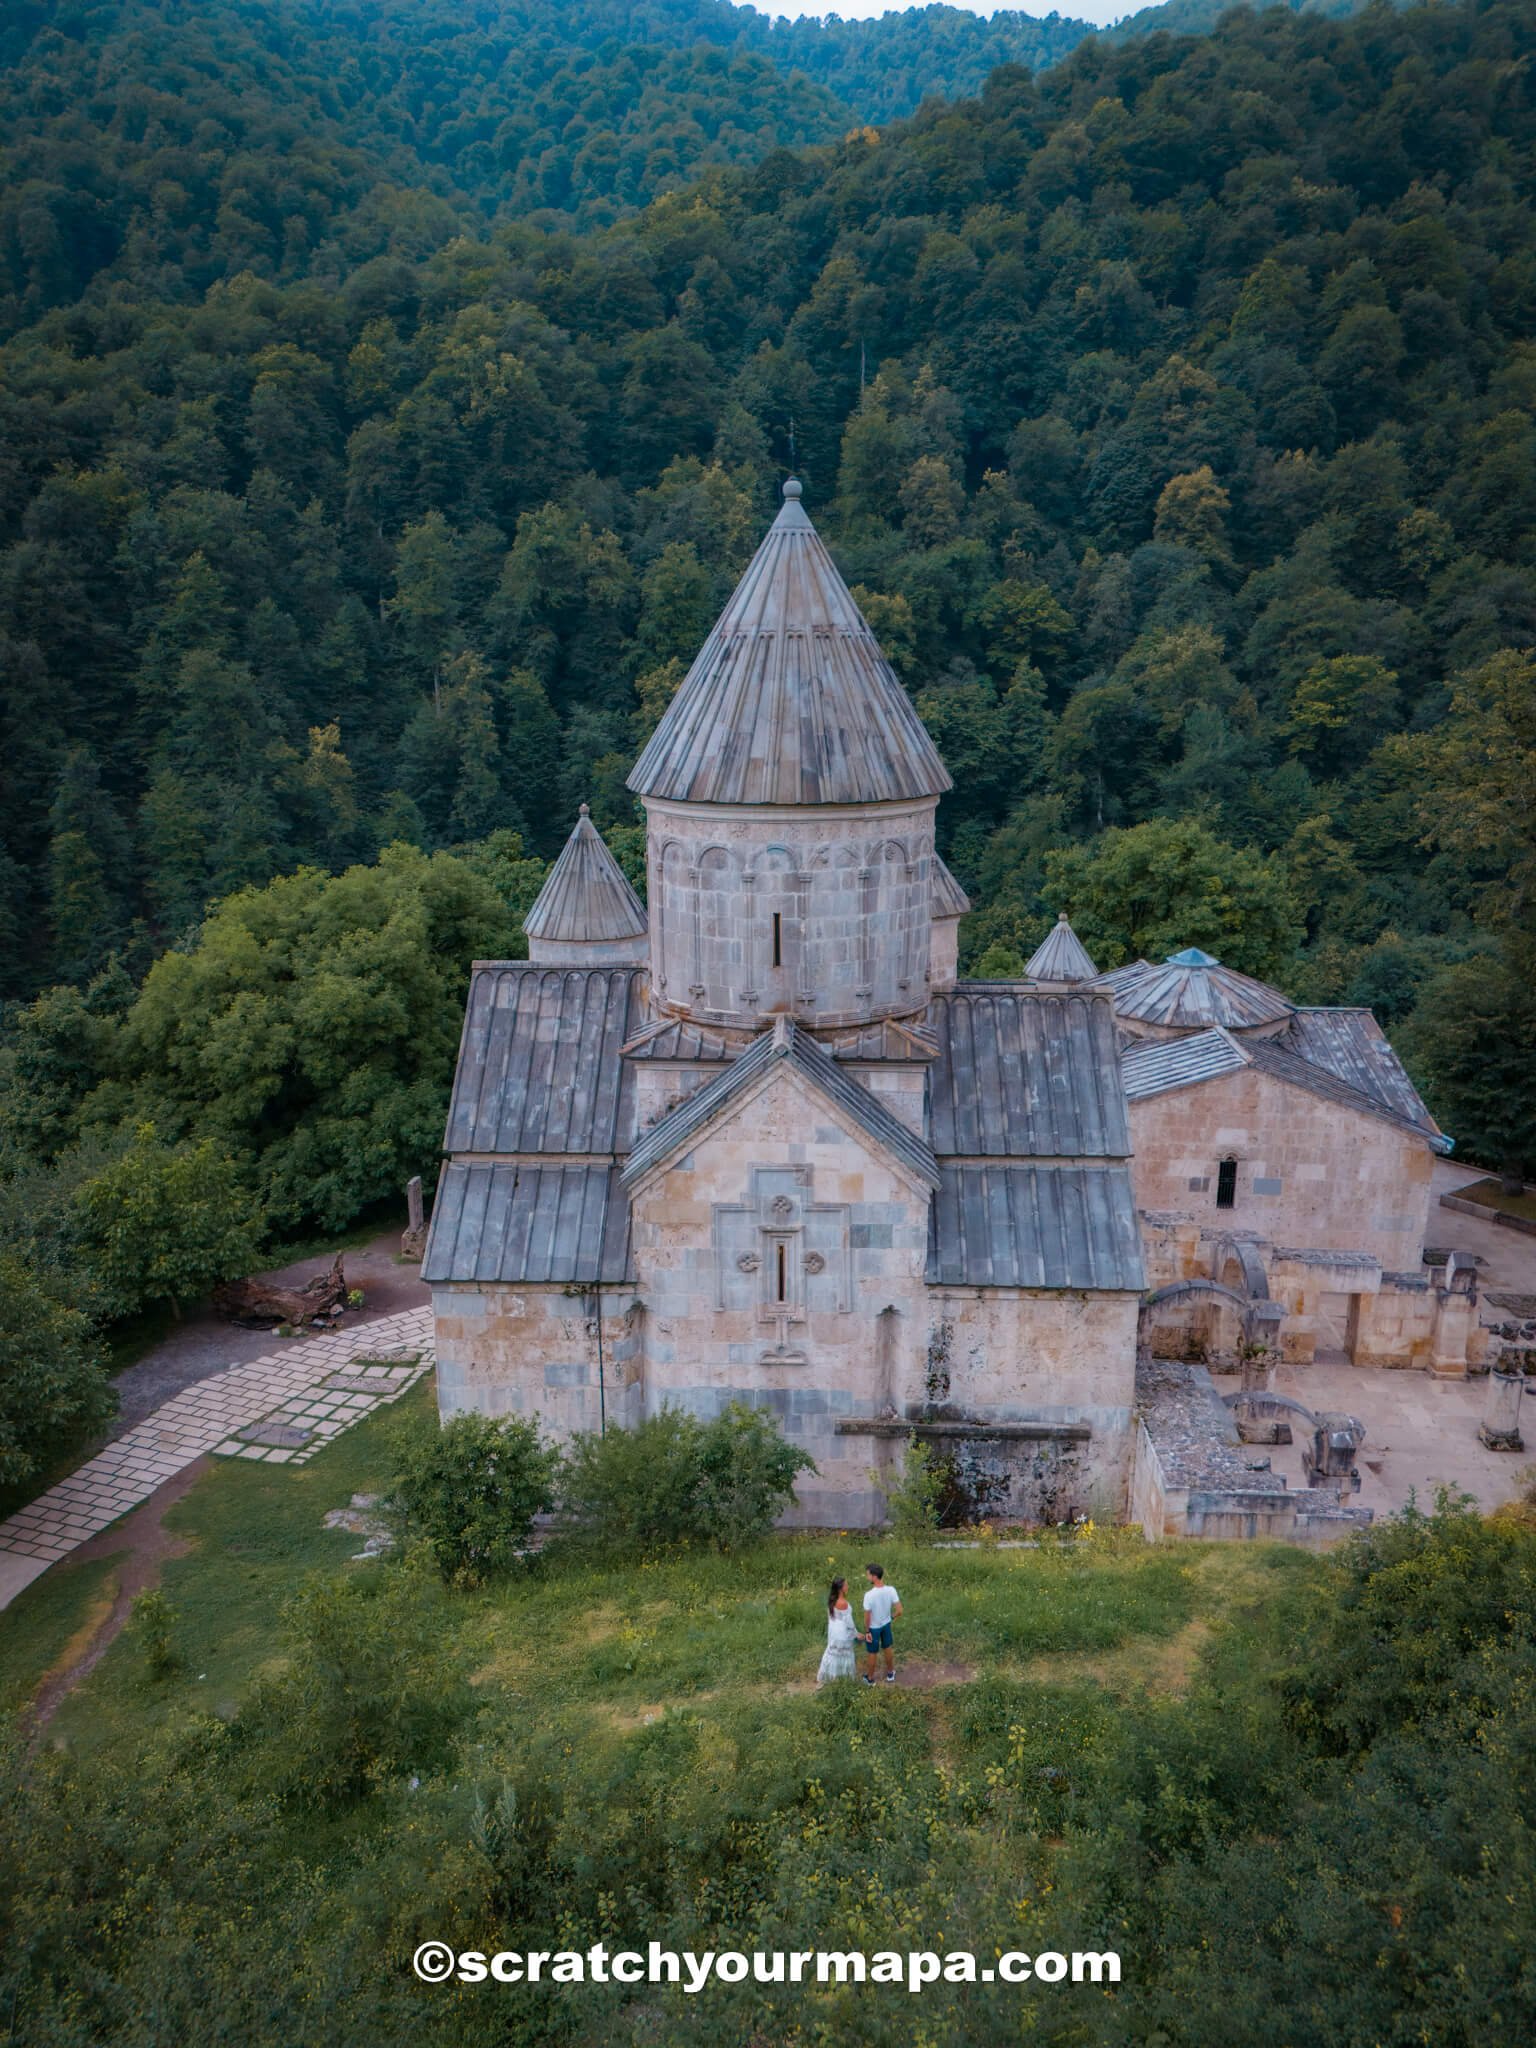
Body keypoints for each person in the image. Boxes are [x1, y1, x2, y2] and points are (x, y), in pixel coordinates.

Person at [861, 1562, 902, 1686]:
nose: (866, 1576)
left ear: (874, 1577)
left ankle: (870, 1679)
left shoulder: (869, 1595)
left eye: (868, 1574)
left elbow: (867, 1617)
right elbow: (900, 1611)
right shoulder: (891, 1590)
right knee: (887, 1647)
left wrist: (867, 1631)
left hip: (874, 1628)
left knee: (872, 1652)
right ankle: (890, 1673)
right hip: (886, 1625)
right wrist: (890, 1618)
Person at [817, 1576, 859, 1686]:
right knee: (844, 1655)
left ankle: (828, 1678)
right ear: (841, 1588)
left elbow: (831, 1618)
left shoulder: (832, 1600)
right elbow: (849, 1623)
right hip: (842, 1633)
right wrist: (856, 1634)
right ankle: (844, 1680)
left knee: (832, 1654)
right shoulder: (842, 1603)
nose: (848, 1586)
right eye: (846, 1585)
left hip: (833, 1632)